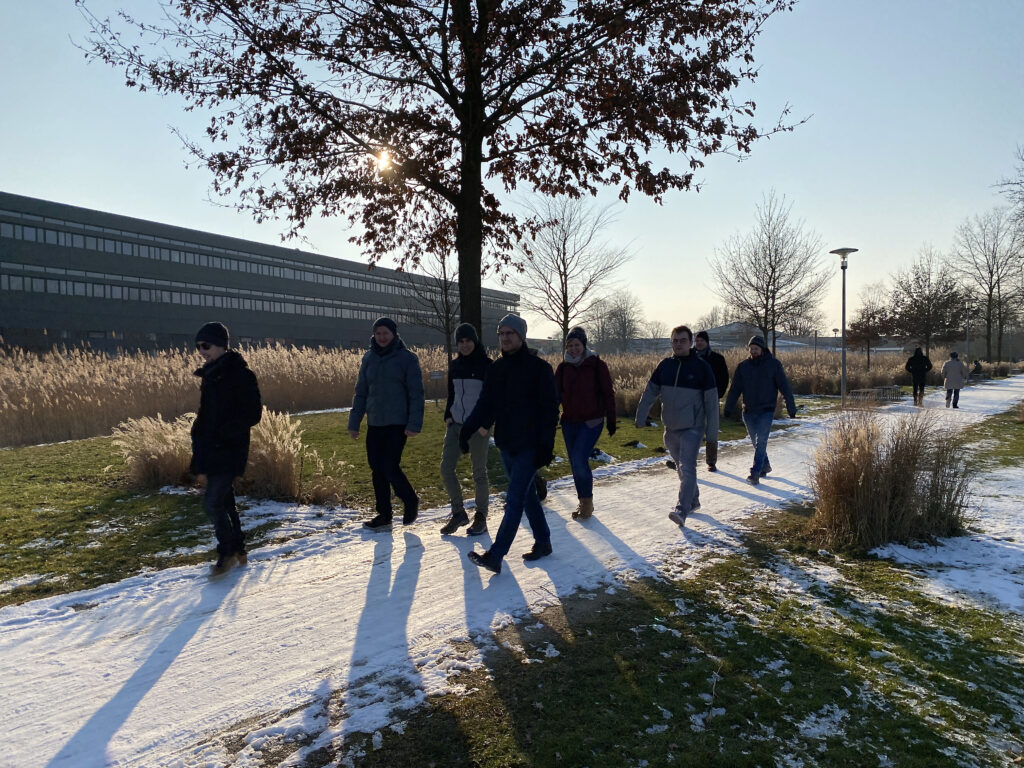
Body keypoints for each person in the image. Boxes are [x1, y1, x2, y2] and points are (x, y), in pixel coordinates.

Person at [460, 313, 559, 574]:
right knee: (526, 496)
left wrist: (546, 446)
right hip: (506, 443)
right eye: (501, 333)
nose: (505, 338)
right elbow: (486, 404)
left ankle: (496, 554)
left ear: (521, 336)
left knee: (514, 500)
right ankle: (544, 541)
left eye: (510, 333)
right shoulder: (497, 369)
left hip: (531, 445)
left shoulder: (539, 369)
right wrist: (467, 430)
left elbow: (550, 411)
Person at [189, 322, 263, 576]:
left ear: (222, 345)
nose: (202, 351)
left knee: (212, 503)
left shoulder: (241, 375)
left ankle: (227, 551)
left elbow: (252, 414)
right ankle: (239, 548)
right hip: (212, 449)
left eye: (206, 345)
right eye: (199, 346)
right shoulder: (211, 375)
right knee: (225, 502)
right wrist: (198, 434)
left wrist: (224, 433)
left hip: (230, 449)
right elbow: (206, 414)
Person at [635, 325, 719, 527]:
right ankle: (694, 499)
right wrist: (640, 417)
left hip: (693, 426)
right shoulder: (665, 366)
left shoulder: (701, 368)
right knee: (681, 469)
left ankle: (682, 509)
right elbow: (649, 392)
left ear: (690, 342)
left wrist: (712, 435)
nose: (678, 344)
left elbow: (711, 403)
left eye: (682, 340)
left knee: (687, 467)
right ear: (671, 342)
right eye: (675, 340)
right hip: (670, 428)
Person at [348, 317, 424, 530]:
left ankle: (410, 499)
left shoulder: (407, 359)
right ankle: (384, 514)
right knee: (376, 468)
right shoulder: (368, 358)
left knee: (389, 466)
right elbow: (361, 392)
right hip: (375, 423)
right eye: (378, 333)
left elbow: (416, 394)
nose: (382, 337)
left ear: (394, 335)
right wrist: (354, 423)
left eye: (386, 333)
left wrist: (414, 423)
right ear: (374, 335)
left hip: (398, 423)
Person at [554, 326, 616, 521]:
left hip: (591, 421)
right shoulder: (563, 368)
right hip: (569, 422)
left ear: (584, 345)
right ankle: (583, 501)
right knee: (575, 463)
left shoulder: (597, 365)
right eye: (570, 345)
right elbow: (555, 395)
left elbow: (608, 393)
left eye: (577, 345)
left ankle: (587, 503)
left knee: (580, 459)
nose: (573, 349)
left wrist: (611, 420)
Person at [439, 323, 491, 536]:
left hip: (477, 427)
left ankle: (481, 517)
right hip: (456, 425)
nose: (464, 345)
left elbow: (492, 399)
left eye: (468, 340)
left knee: (479, 472)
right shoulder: (455, 365)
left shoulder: (487, 365)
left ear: (475, 341)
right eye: (460, 341)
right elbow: (451, 393)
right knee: (446, 468)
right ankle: (459, 513)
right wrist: (448, 416)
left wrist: (485, 425)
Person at [723, 336, 796, 486]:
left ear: (762, 349)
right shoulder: (743, 366)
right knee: (756, 441)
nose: (753, 351)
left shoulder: (774, 365)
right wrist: (728, 408)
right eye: (751, 349)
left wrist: (791, 407)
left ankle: (755, 472)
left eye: (756, 349)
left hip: (766, 409)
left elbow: (784, 386)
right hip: (748, 410)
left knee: (761, 440)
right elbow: (735, 388)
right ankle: (765, 465)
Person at [693, 330, 730, 471]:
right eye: (697, 341)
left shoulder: (717, 359)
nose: (699, 343)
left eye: (702, 340)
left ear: (707, 342)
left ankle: (711, 461)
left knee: (711, 429)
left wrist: (718, 394)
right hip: (693, 398)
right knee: (693, 429)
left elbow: (724, 378)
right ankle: (689, 460)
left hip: (711, 397)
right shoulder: (690, 358)